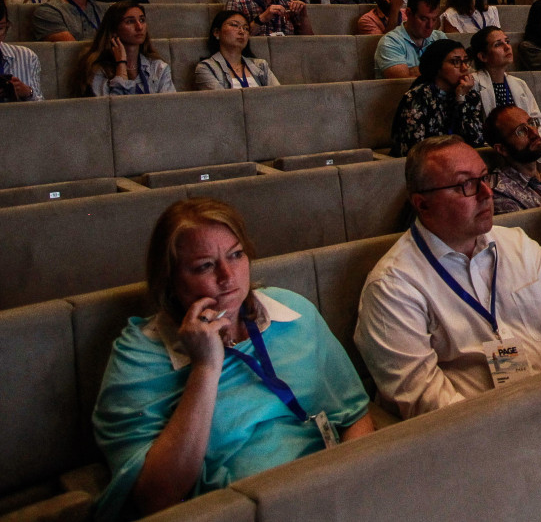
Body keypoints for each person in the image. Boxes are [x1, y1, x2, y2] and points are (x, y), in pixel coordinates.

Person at [93, 198, 373, 520]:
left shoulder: (293, 311)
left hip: (332, 492)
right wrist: (206, 367)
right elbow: (156, 498)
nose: (228, 276)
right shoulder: (140, 355)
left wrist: (351, 487)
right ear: (170, 280)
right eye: (205, 266)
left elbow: (355, 417)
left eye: (236, 255)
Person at [354, 136, 541, 419]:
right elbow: (426, 401)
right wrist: (518, 425)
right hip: (475, 436)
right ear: (423, 204)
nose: (486, 193)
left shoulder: (518, 245)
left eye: (484, 178)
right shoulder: (392, 287)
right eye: (465, 185)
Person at [389, 40, 484, 156]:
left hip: (461, 159)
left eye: (465, 61)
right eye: (456, 62)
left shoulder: (469, 94)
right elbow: (414, 149)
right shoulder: (418, 97)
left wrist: (461, 99)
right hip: (428, 164)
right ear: (437, 66)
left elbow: (476, 140)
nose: (464, 68)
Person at [75, 1, 175, 96]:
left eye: (142, 20)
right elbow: (115, 110)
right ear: (114, 30)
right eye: (130, 21)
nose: (139, 27)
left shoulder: (158, 68)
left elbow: (168, 107)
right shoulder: (98, 70)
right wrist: (121, 64)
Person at [470, 26, 541, 135]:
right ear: (483, 56)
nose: (507, 47)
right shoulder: (473, 83)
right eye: (498, 44)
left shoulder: (519, 83)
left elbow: (539, 123)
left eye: (507, 41)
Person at [195, 10, 280, 89]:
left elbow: (278, 95)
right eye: (234, 25)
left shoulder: (260, 65)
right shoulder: (206, 68)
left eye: (246, 28)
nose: (242, 31)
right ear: (217, 32)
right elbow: (221, 101)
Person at [374, 0, 446, 78]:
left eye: (434, 19)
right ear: (408, 13)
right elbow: (403, 80)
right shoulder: (390, 42)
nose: (430, 25)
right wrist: (443, 67)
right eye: (423, 19)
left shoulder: (440, 38)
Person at [0, 0, 42, 100]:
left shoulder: (27, 57)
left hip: (19, 115)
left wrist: (28, 93)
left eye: (0, 28)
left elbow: (42, 109)